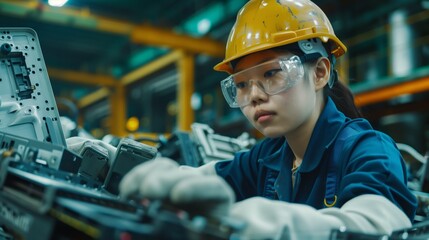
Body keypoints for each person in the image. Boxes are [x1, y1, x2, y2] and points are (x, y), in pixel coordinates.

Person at [74, 0, 418, 239]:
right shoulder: (270, 155)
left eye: (271, 74)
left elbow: (379, 224)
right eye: (240, 84)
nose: (253, 95)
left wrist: (270, 225)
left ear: (319, 73)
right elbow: (196, 180)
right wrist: (111, 162)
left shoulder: (367, 149)